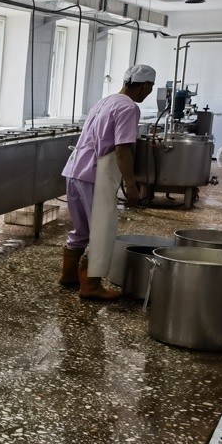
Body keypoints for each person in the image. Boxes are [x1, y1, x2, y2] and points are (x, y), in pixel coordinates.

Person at [59, 64, 156, 300]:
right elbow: (122, 150)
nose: (149, 92)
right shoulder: (129, 107)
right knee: (101, 229)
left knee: (81, 229)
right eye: (151, 87)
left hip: (75, 169)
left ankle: (69, 275)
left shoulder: (105, 101)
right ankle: (90, 285)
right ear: (145, 86)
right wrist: (131, 185)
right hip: (96, 173)